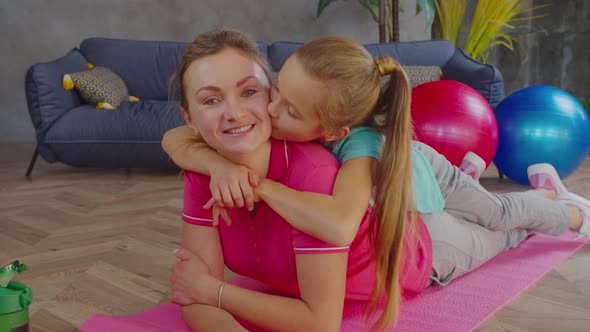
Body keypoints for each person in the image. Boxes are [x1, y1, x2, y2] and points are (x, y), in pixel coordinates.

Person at [168, 29, 590, 331]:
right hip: (399, 197)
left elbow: (338, 223)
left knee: (503, 223)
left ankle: (566, 211)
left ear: (330, 130)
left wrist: (256, 186)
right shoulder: (246, 139)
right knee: (485, 210)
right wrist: (223, 167)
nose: (267, 111)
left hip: (423, 213)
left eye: (253, 94)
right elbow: (175, 138)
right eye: (275, 92)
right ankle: (482, 182)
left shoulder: (349, 153)